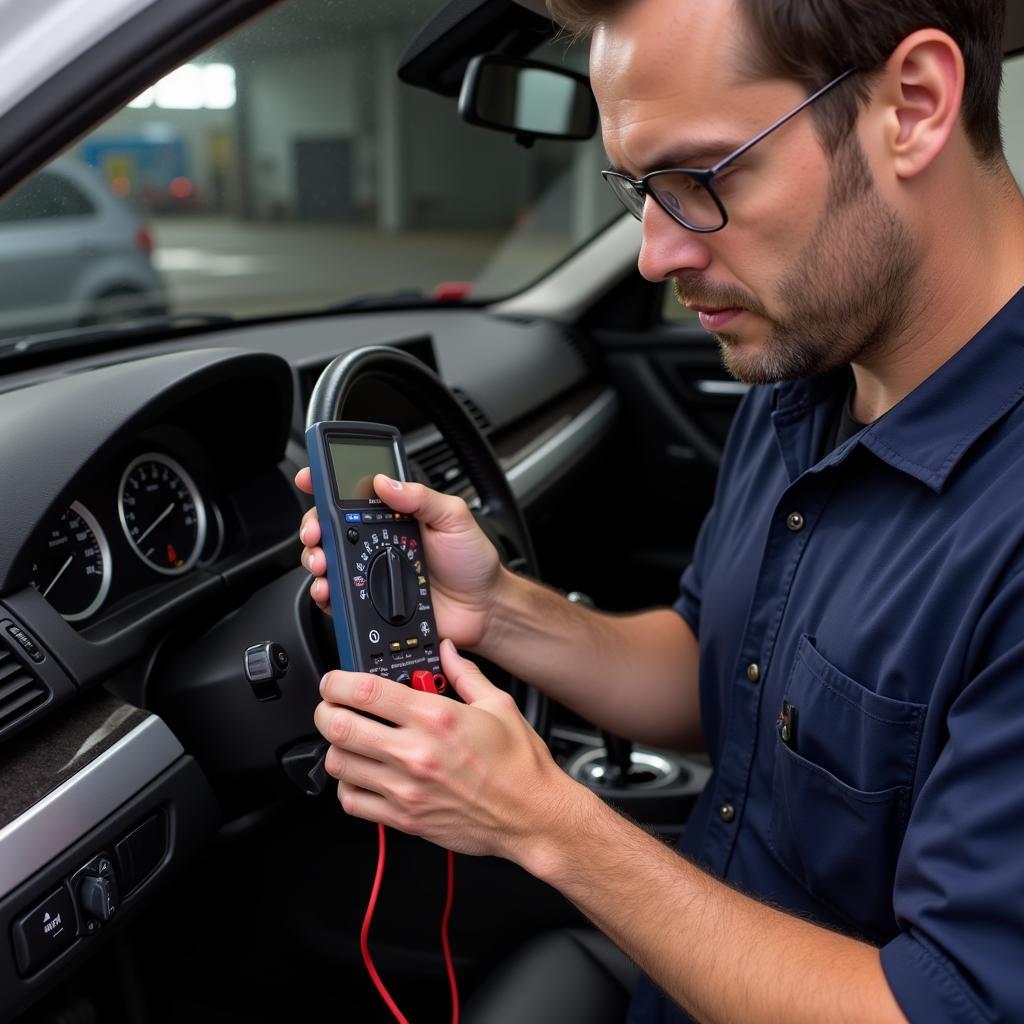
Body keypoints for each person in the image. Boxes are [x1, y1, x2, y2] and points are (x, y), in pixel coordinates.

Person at [296, 0, 1024, 1019]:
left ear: (913, 105)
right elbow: (712, 664)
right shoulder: (805, 369)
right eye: (640, 188)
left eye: (699, 180)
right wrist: (501, 609)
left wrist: (544, 822)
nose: (655, 253)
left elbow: (942, 1006)